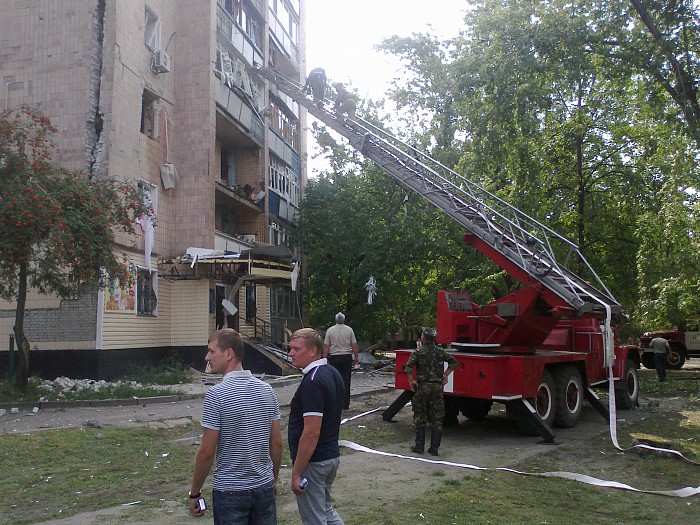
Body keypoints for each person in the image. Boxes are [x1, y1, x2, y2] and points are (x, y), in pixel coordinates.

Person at [188, 328, 283, 524]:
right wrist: (273, 479)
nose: (207, 357)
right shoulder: (267, 390)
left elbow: (207, 451)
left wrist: (195, 492)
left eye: (212, 351)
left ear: (229, 354)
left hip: (230, 491)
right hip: (263, 486)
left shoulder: (217, 395)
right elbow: (277, 444)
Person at [288, 328, 345, 525]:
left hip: (314, 462)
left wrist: (296, 472)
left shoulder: (313, 380)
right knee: (326, 511)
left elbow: (311, 432)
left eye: (296, 349)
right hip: (330, 456)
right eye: (290, 348)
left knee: (315, 519)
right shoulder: (332, 373)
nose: (291, 353)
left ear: (313, 351)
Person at [404, 327, 458, 456]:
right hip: (436, 387)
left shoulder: (418, 352)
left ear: (423, 338)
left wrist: (411, 381)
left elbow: (408, 367)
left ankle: (419, 446)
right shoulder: (440, 352)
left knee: (420, 415)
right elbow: (454, 362)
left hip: (422, 387)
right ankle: (434, 448)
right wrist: (445, 375)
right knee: (437, 417)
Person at [323, 312, 359, 410]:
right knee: (346, 380)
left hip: (334, 357)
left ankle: (335, 403)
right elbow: (354, 344)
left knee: (335, 380)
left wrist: (324, 357)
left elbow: (326, 345)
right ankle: (345, 404)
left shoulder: (330, 330)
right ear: (344, 319)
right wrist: (356, 356)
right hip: (346, 357)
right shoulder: (349, 330)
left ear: (335, 320)